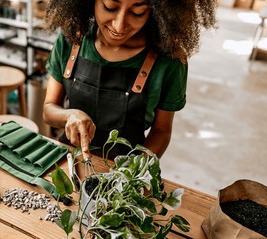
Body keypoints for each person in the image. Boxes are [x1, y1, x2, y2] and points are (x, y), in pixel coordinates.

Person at [42, 0, 217, 159]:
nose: (119, 26)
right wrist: (69, 115)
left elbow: (161, 131)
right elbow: (48, 110)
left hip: (126, 170)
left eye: (138, 12)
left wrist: (133, 174)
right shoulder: (71, 38)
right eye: (110, 7)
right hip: (69, 160)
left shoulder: (169, 61)